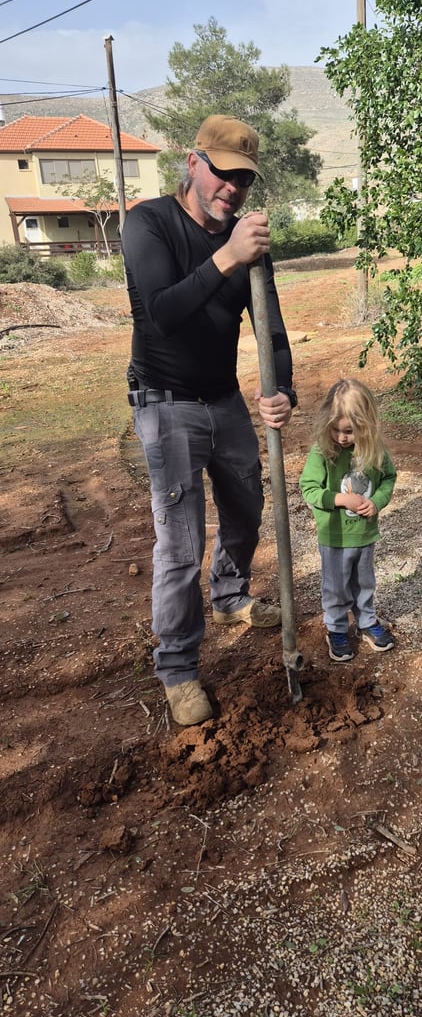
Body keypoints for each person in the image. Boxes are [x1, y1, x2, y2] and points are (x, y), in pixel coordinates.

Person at [121, 115, 298, 726]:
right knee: (180, 541)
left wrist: (284, 390)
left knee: (247, 506)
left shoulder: (248, 242)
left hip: (223, 399)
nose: (232, 189)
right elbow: (162, 314)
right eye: (223, 173)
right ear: (194, 162)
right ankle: (177, 667)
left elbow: (269, 327)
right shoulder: (148, 223)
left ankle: (229, 597)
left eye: (243, 180)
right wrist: (228, 256)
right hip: (164, 401)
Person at [299, 378, 396, 662]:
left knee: (364, 582)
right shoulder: (321, 452)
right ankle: (337, 627)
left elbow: (388, 478)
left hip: (364, 535)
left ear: (366, 426)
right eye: (336, 430)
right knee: (336, 586)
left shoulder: (374, 450)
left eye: (350, 431)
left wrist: (375, 502)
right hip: (335, 537)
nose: (342, 437)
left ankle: (366, 621)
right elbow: (310, 489)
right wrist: (341, 499)